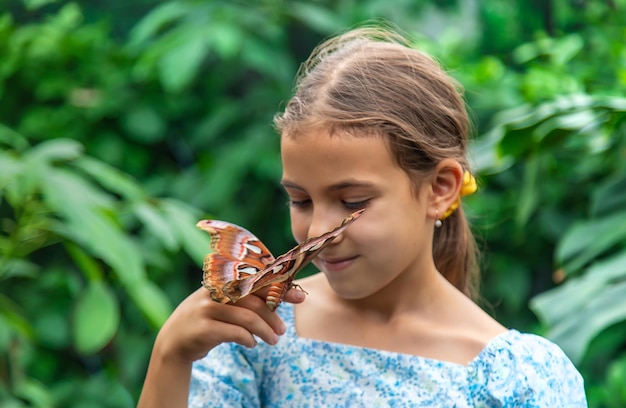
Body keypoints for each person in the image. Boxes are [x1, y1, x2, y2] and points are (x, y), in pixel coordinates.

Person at [137, 26, 587, 407]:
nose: (316, 232)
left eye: (352, 203)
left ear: (440, 189)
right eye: (301, 200)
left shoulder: (519, 380)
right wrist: (170, 358)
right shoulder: (255, 334)